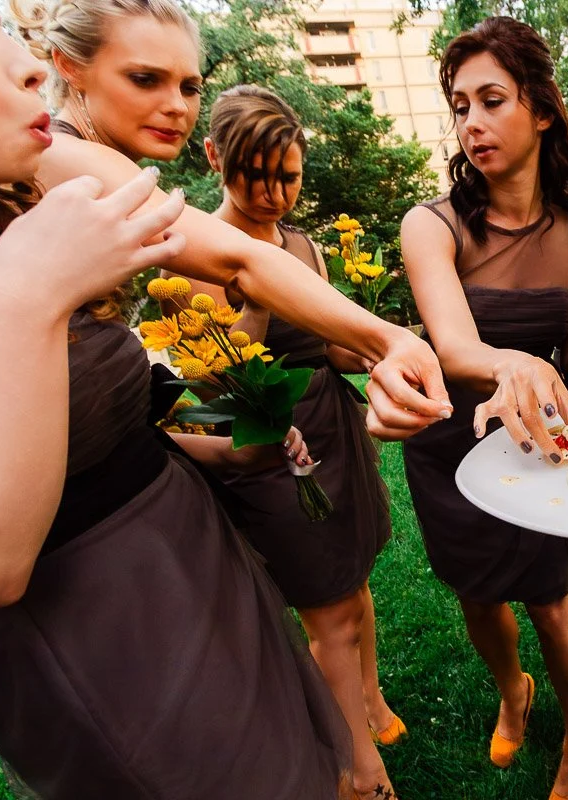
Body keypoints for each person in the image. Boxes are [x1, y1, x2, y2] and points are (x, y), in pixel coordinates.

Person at [0, 2, 371, 796]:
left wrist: (239, 432)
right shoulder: (41, 222)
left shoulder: (20, 191)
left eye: (189, 83)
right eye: (146, 78)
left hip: (194, 552)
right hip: (108, 631)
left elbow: (132, 400)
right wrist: (26, 295)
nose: (22, 64)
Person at [399, 16, 568, 800]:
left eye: (492, 100)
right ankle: (513, 690)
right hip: (451, 445)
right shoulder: (430, 225)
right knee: (478, 596)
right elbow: (456, 346)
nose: (472, 122)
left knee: (548, 602)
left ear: (541, 110)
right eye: (460, 105)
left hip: (536, 446)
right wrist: (511, 362)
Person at [11, 0, 451, 440]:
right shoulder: (64, 156)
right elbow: (242, 263)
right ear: (69, 67)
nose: (176, 106)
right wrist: (391, 339)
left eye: (189, 87)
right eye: (145, 79)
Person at [173, 84, 404, 800]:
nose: (275, 194)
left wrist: (373, 355)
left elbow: (329, 345)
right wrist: (260, 297)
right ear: (215, 158)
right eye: (257, 175)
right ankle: (360, 770)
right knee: (326, 608)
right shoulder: (193, 255)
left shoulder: (304, 245)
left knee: (356, 581)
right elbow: (209, 390)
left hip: (332, 426)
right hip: (269, 446)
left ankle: (370, 698)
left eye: (290, 176)